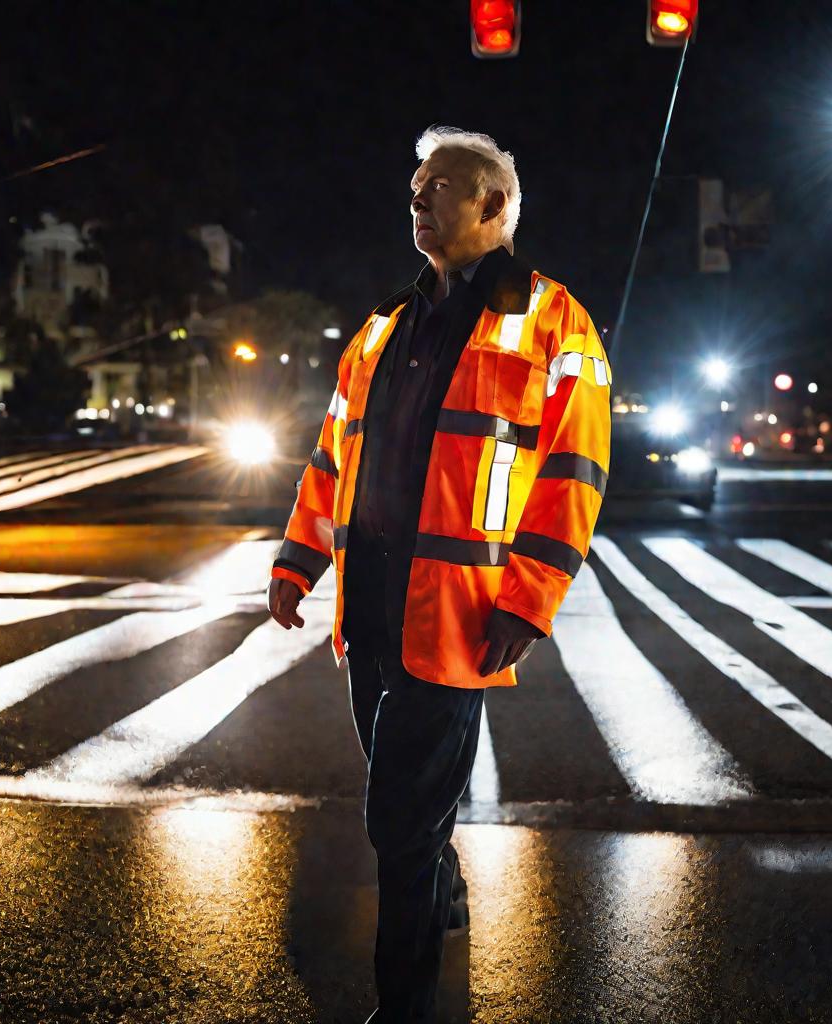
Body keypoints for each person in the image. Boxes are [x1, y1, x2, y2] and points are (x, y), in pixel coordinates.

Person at [267, 125, 611, 1023]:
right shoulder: (383, 325)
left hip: (460, 616)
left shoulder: (552, 321)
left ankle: (407, 1007)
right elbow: (332, 457)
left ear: (492, 205)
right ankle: (443, 886)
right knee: (402, 794)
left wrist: (530, 602)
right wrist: (298, 562)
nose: (417, 198)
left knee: (399, 825)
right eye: (415, 185)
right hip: (371, 611)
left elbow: (574, 476)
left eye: (440, 186)